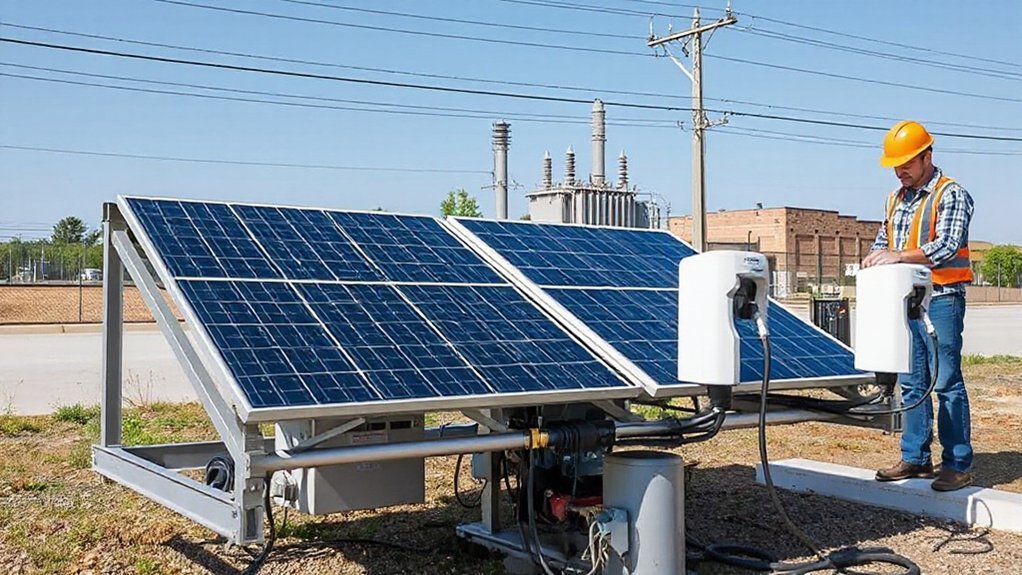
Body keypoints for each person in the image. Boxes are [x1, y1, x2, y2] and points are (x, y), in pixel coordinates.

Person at [862, 120, 975, 492]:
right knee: (912, 383)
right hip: (906, 301)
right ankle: (915, 458)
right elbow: (885, 237)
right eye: (896, 164)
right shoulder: (895, 198)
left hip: (941, 299)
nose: (901, 170)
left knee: (946, 382)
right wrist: (878, 255)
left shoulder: (951, 194)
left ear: (928, 155)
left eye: (907, 162)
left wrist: (897, 256)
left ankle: (957, 464)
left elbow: (945, 246)